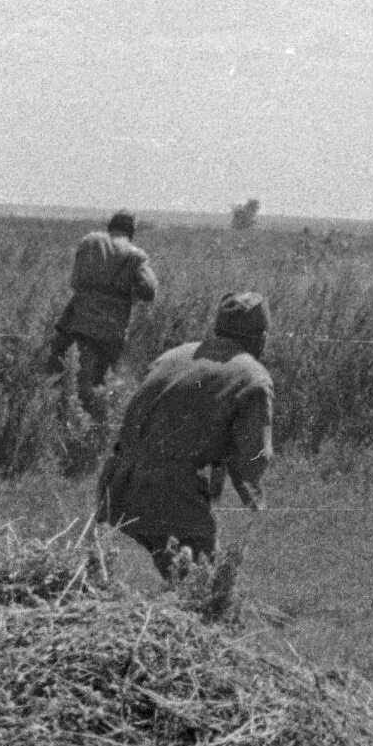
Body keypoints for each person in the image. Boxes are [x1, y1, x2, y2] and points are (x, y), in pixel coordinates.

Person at [98, 293, 273, 580]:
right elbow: (255, 455)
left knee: (180, 570)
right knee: (203, 586)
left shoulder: (175, 354)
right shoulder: (253, 376)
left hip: (117, 481)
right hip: (169, 491)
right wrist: (251, 490)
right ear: (259, 338)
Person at [48, 211, 161, 418]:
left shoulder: (89, 241)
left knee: (55, 367)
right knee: (111, 381)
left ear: (110, 225)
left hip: (75, 320)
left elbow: (75, 281)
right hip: (110, 329)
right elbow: (149, 289)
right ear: (132, 231)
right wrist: (129, 293)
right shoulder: (135, 255)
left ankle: (56, 411)